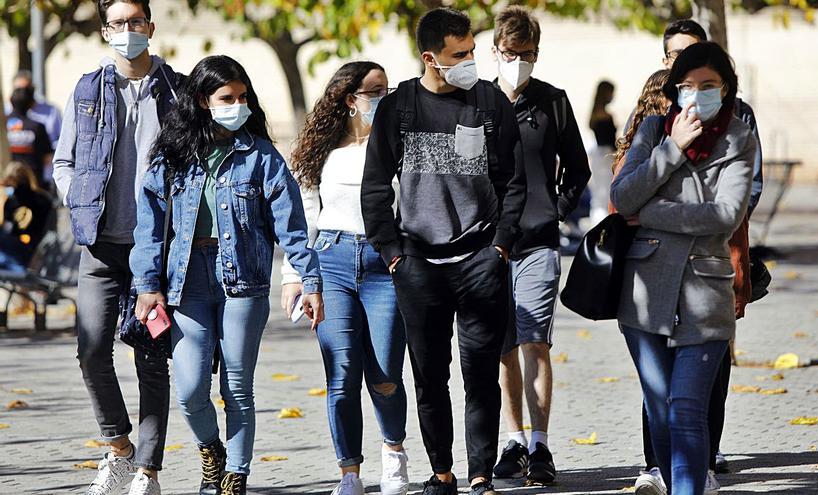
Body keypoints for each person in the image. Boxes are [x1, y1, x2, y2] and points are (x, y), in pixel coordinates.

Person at [130, 55, 325, 495]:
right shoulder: (173, 156)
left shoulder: (261, 156)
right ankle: (210, 450)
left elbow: (291, 226)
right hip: (186, 281)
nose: (237, 105)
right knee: (192, 388)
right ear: (202, 100)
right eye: (226, 98)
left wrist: (308, 281)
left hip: (244, 280)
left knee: (237, 384)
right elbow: (148, 227)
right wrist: (147, 285)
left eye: (243, 98)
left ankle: (236, 474)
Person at [361, 7, 526, 495]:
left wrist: (499, 248)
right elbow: (375, 188)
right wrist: (394, 255)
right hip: (418, 267)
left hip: (480, 260)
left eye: (472, 50)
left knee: (481, 377)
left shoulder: (490, 103)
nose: (471, 60)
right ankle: (442, 473)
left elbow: (513, 183)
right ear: (430, 57)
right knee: (429, 377)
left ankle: (480, 475)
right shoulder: (399, 108)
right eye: (460, 54)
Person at [610, 41, 756, 495]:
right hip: (644, 293)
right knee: (660, 409)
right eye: (688, 86)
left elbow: (725, 215)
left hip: (706, 294)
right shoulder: (655, 130)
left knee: (687, 407)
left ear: (726, 89)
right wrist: (672, 150)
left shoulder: (738, 138)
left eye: (708, 86)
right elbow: (623, 197)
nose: (697, 95)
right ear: (674, 90)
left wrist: (652, 213)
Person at [52, 0, 183, 492]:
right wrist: (78, 200)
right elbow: (64, 162)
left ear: (150, 26)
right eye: (118, 24)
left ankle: (147, 471)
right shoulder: (88, 88)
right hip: (101, 247)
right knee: (90, 351)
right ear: (105, 30)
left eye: (135, 23)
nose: (127, 31)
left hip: (158, 251)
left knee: (151, 358)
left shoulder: (179, 91)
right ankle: (119, 447)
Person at [280, 61, 409, 495]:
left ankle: (394, 453)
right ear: (350, 99)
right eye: (375, 91)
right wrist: (294, 275)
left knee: (386, 372)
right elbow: (303, 219)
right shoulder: (321, 150)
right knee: (342, 372)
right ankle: (349, 473)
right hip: (330, 260)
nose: (383, 98)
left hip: (383, 262)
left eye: (387, 90)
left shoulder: (400, 145)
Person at [488, 6, 590, 485]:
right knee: (502, 346)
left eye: (526, 54)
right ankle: (512, 440)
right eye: (510, 53)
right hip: (485, 247)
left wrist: (556, 211)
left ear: (536, 54)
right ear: (495, 50)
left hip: (538, 243)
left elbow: (578, 170)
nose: (518, 61)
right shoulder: (477, 101)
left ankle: (541, 444)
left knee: (534, 340)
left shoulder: (553, 101)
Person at [0, 162, 53, 273]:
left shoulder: (14, 200)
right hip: (37, 249)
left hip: (25, 249)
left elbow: (9, 228)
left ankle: (19, 271)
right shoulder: (44, 198)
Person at [7, 87, 53, 189]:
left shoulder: (3, 126)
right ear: (32, 104)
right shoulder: (37, 127)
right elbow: (48, 157)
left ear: (10, 100)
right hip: (33, 184)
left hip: (6, 180)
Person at [6, 70, 64, 149]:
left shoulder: (51, 111)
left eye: (26, 90)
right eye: (18, 90)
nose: (22, 94)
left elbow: (61, 140)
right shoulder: (6, 113)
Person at [587, 80, 616, 220]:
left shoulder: (595, 115)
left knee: (599, 193)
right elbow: (610, 141)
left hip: (598, 156)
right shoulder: (605, 117)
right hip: (606, 156)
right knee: (604, 192)